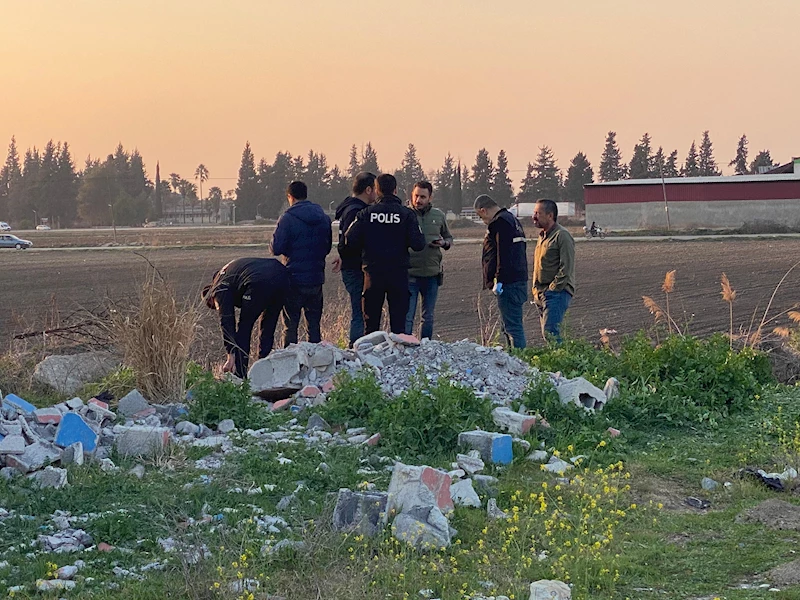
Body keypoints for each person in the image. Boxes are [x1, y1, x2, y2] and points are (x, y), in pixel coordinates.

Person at [344, 173, 425, 335]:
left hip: (373, 274)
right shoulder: (406, 215)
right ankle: (399, 357)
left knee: (371, 326)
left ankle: (369, 358)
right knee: (399, 327)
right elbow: (419, 244)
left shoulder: (366, 214)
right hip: (398, 274)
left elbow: (348, 241)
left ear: (377, 190)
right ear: (395, 191)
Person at [202, 257, 290, 378]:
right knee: (268, 325)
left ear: (212, 298)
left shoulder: (219, 288)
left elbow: (226, 320)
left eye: (215, 306)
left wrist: (231, 354)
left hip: (257, 282)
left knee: (244, 328)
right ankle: (264, 371)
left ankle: (240, 375)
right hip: (282, 275)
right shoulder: (229, 272)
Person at [271, 181, 332, 346]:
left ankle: (291, 364)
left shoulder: (287, 218)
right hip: (316, 279)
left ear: (290, 197)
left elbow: (276, 248)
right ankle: (316, 365)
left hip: (293, 279)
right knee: (314, 327)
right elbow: (327, 247)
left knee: (290, 328)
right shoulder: (324, 218)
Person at [474, 194, 528, 349]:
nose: (484, 222)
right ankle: (514, 356)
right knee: (509, 325)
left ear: (483, 211)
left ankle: (519, 359)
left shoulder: (500, 222)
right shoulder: (512, 220)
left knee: (513, 327)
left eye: (481, 217)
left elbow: (502, 254)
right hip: (517, 279)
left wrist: (498, 279)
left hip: (508, 282)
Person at [331, 172, 378, 347]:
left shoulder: (348, 208)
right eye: (375, 189)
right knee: (360, 312)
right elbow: (352, 242)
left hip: (350, 265)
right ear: (368, 190)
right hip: (356, 268)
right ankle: (357, 347)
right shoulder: (357, 212)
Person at [405, 181, 453, 340]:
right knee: (407, 316)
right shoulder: (404, 214)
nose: (418, 200)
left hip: (432, 274)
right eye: (416, 196)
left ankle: (426, 346)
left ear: (430, 197)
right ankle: (406, 346)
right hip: (409, 273)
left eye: (423, 197)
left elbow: (448, 237)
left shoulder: (438, 216)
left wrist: (444, 243)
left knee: (428, 317)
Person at [532, 198, 575, 343]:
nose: (534, 217)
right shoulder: (542, 237)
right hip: (541, 292)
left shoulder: (562, 236)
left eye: (538, 213)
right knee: (548, 335)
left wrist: (553, 289)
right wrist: (536, 290)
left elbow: (566, 267)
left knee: (551, 334)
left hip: (557, 293)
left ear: (550, 215)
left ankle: (563, 363)